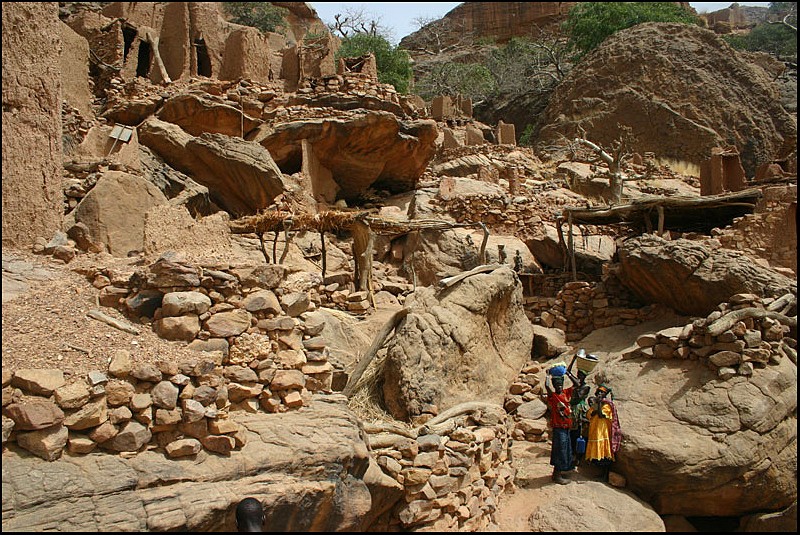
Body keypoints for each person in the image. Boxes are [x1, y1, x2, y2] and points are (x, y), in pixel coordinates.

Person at [544, 361, 580, 485]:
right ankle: (557, 475)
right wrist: (548, 376)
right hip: (559, 428)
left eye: (561, 385)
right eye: (557, 385)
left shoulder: (566, 393)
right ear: (554, 385)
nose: (559, 387)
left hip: (566, 427)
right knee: (560, 450)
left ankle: (560, 472)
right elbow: (547, 386)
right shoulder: (553, 396)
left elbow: (577, 384)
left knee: (565, 449)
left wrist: (568, 374)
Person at [585, 384, 622, 482]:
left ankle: (605, 475)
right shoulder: (595, 404)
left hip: (603, 432)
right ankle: (600, 473)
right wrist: (596, 407)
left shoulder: (607, 405)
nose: (600, 394)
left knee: (604, 453)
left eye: (602, 393)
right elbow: (589, 414)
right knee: (598, 455)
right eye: (599, 392)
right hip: (595, 431)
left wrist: (599, 405)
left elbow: (601, 415)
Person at [567, 352, 592, 467]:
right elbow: (568, 372)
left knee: (579, 433)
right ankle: (571, 454)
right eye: (578, 374)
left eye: (581, 375)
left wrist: (575, 380)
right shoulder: (576, 384)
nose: (578, 376)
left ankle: (577, 457)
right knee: (571, 432)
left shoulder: (585, 387)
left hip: (579, 410)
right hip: (572, 409)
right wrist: (573, 360)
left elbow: (579, 394)